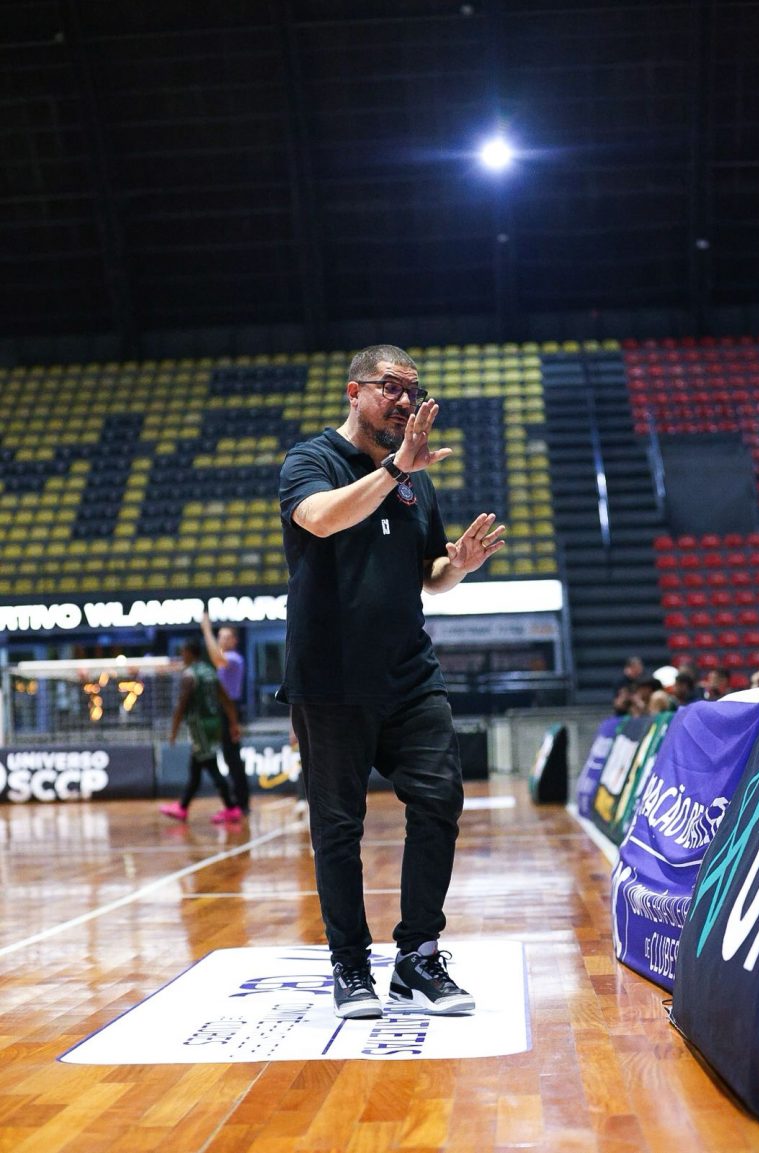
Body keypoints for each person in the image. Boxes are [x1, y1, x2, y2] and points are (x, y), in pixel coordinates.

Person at [278, 343, 505, 1020]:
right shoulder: (310, 460)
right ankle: (350, 965)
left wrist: (458, 565)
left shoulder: (416, 479)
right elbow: (321, 518)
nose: (406, 401)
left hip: (409, 674)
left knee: (439, 799)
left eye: (413, 390)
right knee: (338, 827)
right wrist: (396, 467)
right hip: (330, 678)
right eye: (391, 388)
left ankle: (417, 957)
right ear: (355, 391)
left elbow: (429, 576)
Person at [160, 639, 242, 824]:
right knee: (196, 766)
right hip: (215, 723)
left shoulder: (190, 675)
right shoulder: (210, 671)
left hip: (199, 727)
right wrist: (233, 723)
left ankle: (231, 808)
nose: (181, 655)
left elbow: (181, 705)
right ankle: (182, 807)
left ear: (190, 653)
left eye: (183, 652)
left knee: (212, 766)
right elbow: (226, 699)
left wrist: (173, 731)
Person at [200, 612, 250, 815]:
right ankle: (238, 803)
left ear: (235, 640)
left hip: (230, 710)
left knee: (233, 758)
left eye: (225, 637)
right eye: (219, 636)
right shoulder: (225, 659)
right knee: (230, 758)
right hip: (223, 710)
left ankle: (241, 804)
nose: (221, 640)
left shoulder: (234, 659)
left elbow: (216, 658)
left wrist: (206, 630)